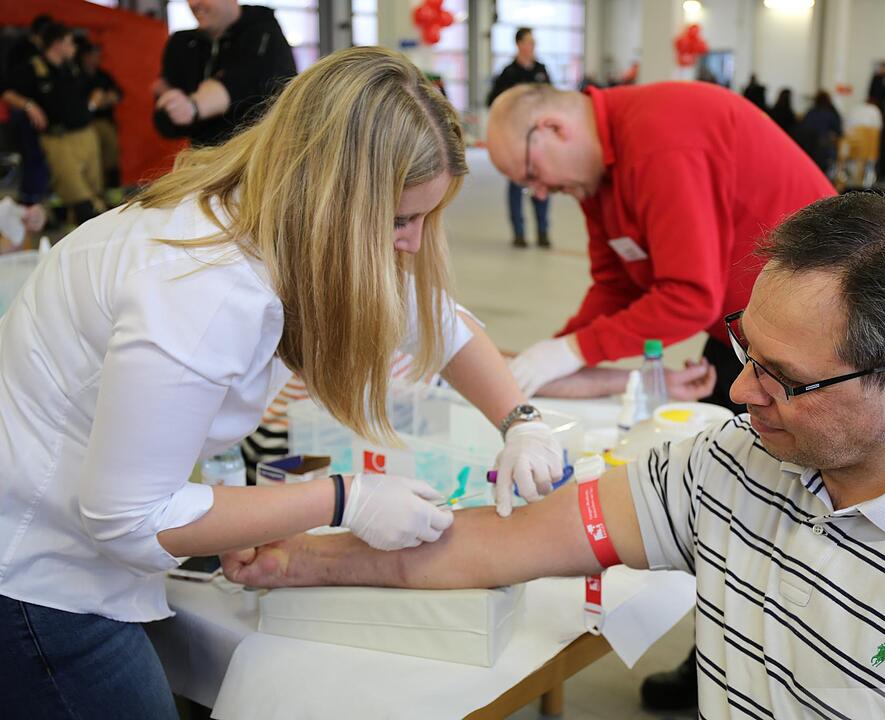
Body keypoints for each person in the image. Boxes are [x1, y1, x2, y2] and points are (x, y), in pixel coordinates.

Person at [224, 192, 885, 714]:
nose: (740, 395)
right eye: (743, 353)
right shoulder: (732, 462)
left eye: (785, 379)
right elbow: (497, 543)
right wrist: (296, 560)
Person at [0, 47, 564, 719]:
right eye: (398, 222)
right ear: (332, 200)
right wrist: (342, 499)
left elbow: (435, 322)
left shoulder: (271, 213)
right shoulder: (202, 291)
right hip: (38, 576)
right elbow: (128, 517)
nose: (410, 245)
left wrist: (521, 421)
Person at [485, 81, 834, 413]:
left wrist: (574, 350)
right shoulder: (596, 178)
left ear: (554, 129)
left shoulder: (658, 144)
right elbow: (616, 286)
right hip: (748, 326)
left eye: (531, 174)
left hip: (816, 330)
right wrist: (557, 352)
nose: (540, 193)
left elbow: (690, 298)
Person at [154, 0, 296, 147]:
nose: (194, 3)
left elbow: (244, 82)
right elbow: (168, 122)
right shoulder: (182, 43)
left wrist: (193, 107)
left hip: (257, 158)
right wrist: (170, 108)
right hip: (202, 161)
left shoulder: (264, 32)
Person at [6, 22, 103, 225]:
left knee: (95, 192)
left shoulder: (72, 68)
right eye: (70, 43)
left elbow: (96, 88)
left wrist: (91, 104)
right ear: (57, 44)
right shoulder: (33, 69)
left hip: (85, 135)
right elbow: (7, 92)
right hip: (59, 139)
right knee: (80, 199)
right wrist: (29, 105)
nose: (74, 48)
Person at [486, 27, 552, 249]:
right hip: (515, 137)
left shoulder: (542, 70)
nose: (532, 46)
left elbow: (551, 99)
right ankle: (519, 233)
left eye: (534, 42)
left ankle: (543, 231)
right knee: (516, 183)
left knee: (541, 182)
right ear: (519, 44)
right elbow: (493, 101)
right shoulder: (508, 73)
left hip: (538, 137)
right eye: (528, 42)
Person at [0, 14, 53, 205]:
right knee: (32, 156)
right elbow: (6, 88)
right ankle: (29, 202)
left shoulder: (35, 51)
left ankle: (35, 202)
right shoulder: (22, 51)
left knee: (38, 158)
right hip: (23, 111)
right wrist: (28, 106)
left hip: (33, 111)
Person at [77, 40, 123, 189]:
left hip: (104, 121)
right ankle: (92, 193)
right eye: (93, 55)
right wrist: (94, 102)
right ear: (85, 56)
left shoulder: (103, 75)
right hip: (85, 124)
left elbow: (118, 93)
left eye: (98, 55)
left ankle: (111, 191)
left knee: (111, 156)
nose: (96, 59)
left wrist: (110, 98)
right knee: (90, 159)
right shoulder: (77, 75)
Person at [795, 90, 843, 174]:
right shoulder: (830, 114)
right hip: (823, 151)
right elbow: (839, 131)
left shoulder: (810, 113)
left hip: (807, 150)